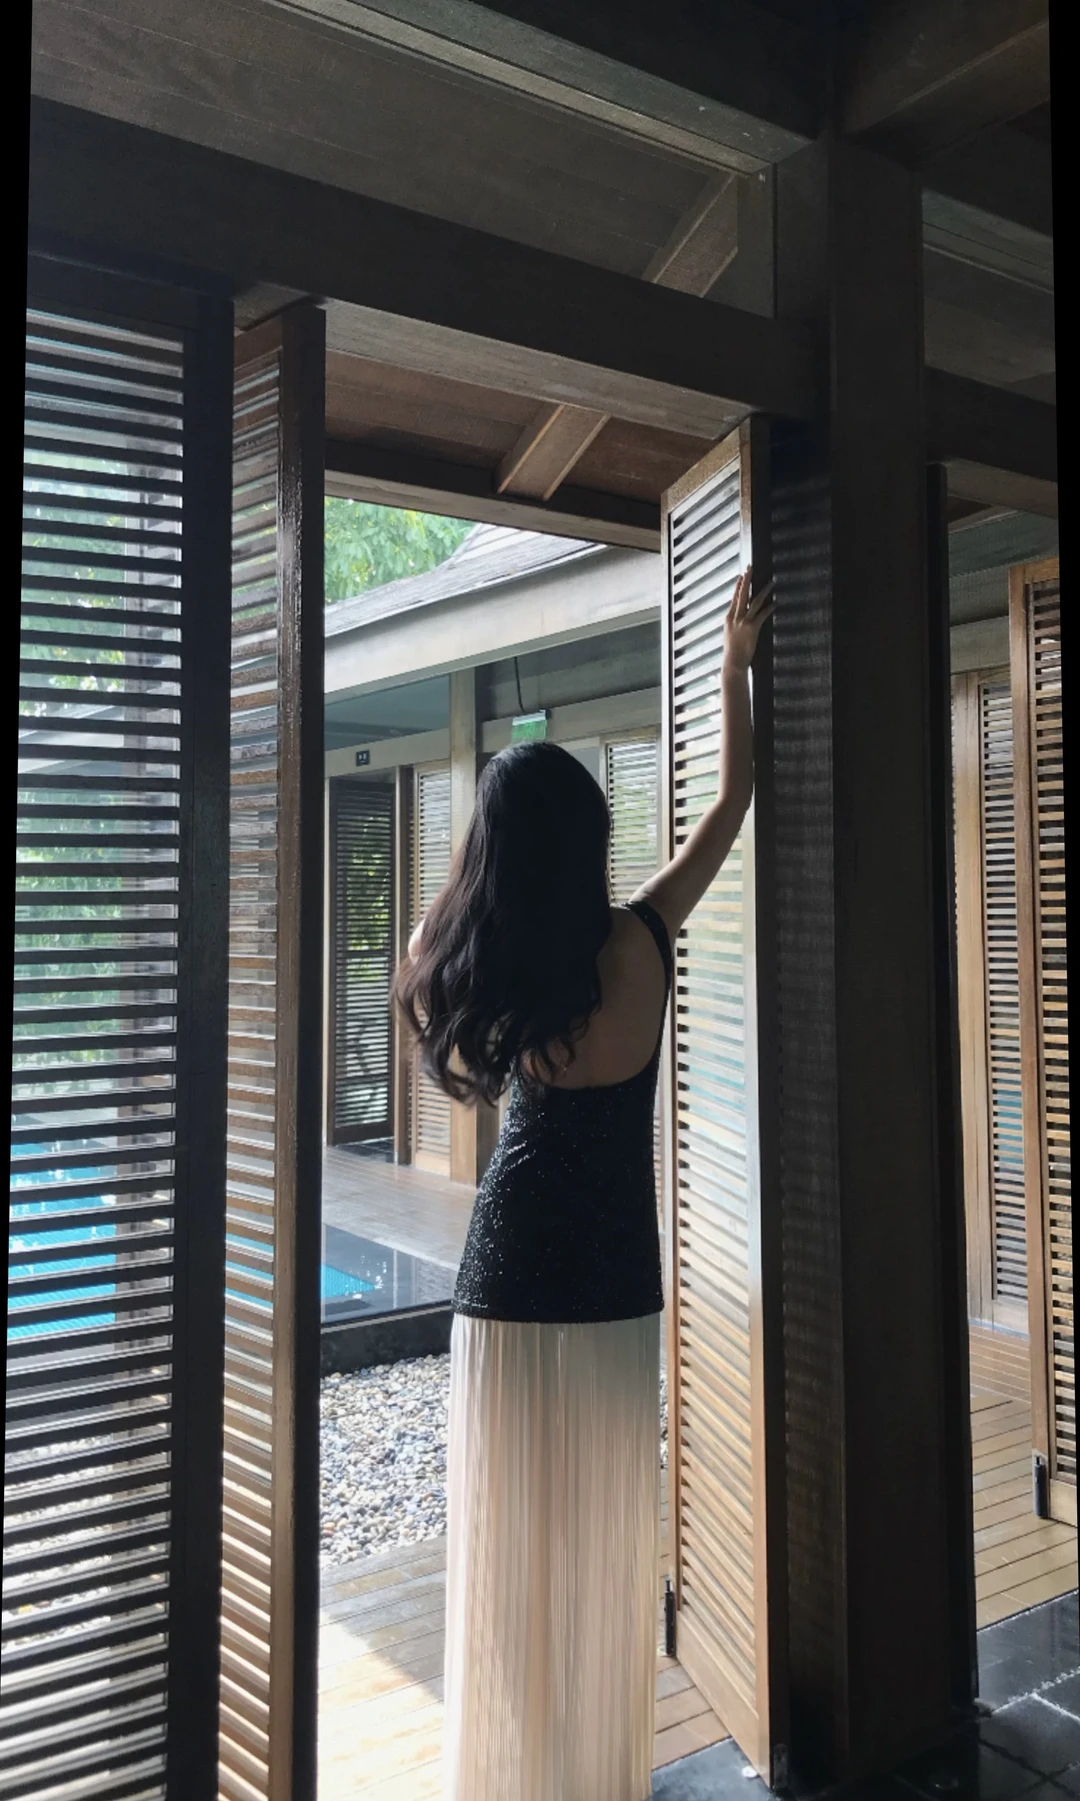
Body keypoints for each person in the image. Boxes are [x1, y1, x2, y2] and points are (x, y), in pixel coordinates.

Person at [393, 568, 773, 1801]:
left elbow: (422, 950)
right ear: (593, 839)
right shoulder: (641, 941)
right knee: (602, 1547)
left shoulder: (491, 956)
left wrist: (482, 870)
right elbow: (733, 802)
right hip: (614, 1283)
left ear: (499, 857)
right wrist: (732, 668)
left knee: (508, 1559)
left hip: (504, 1285)